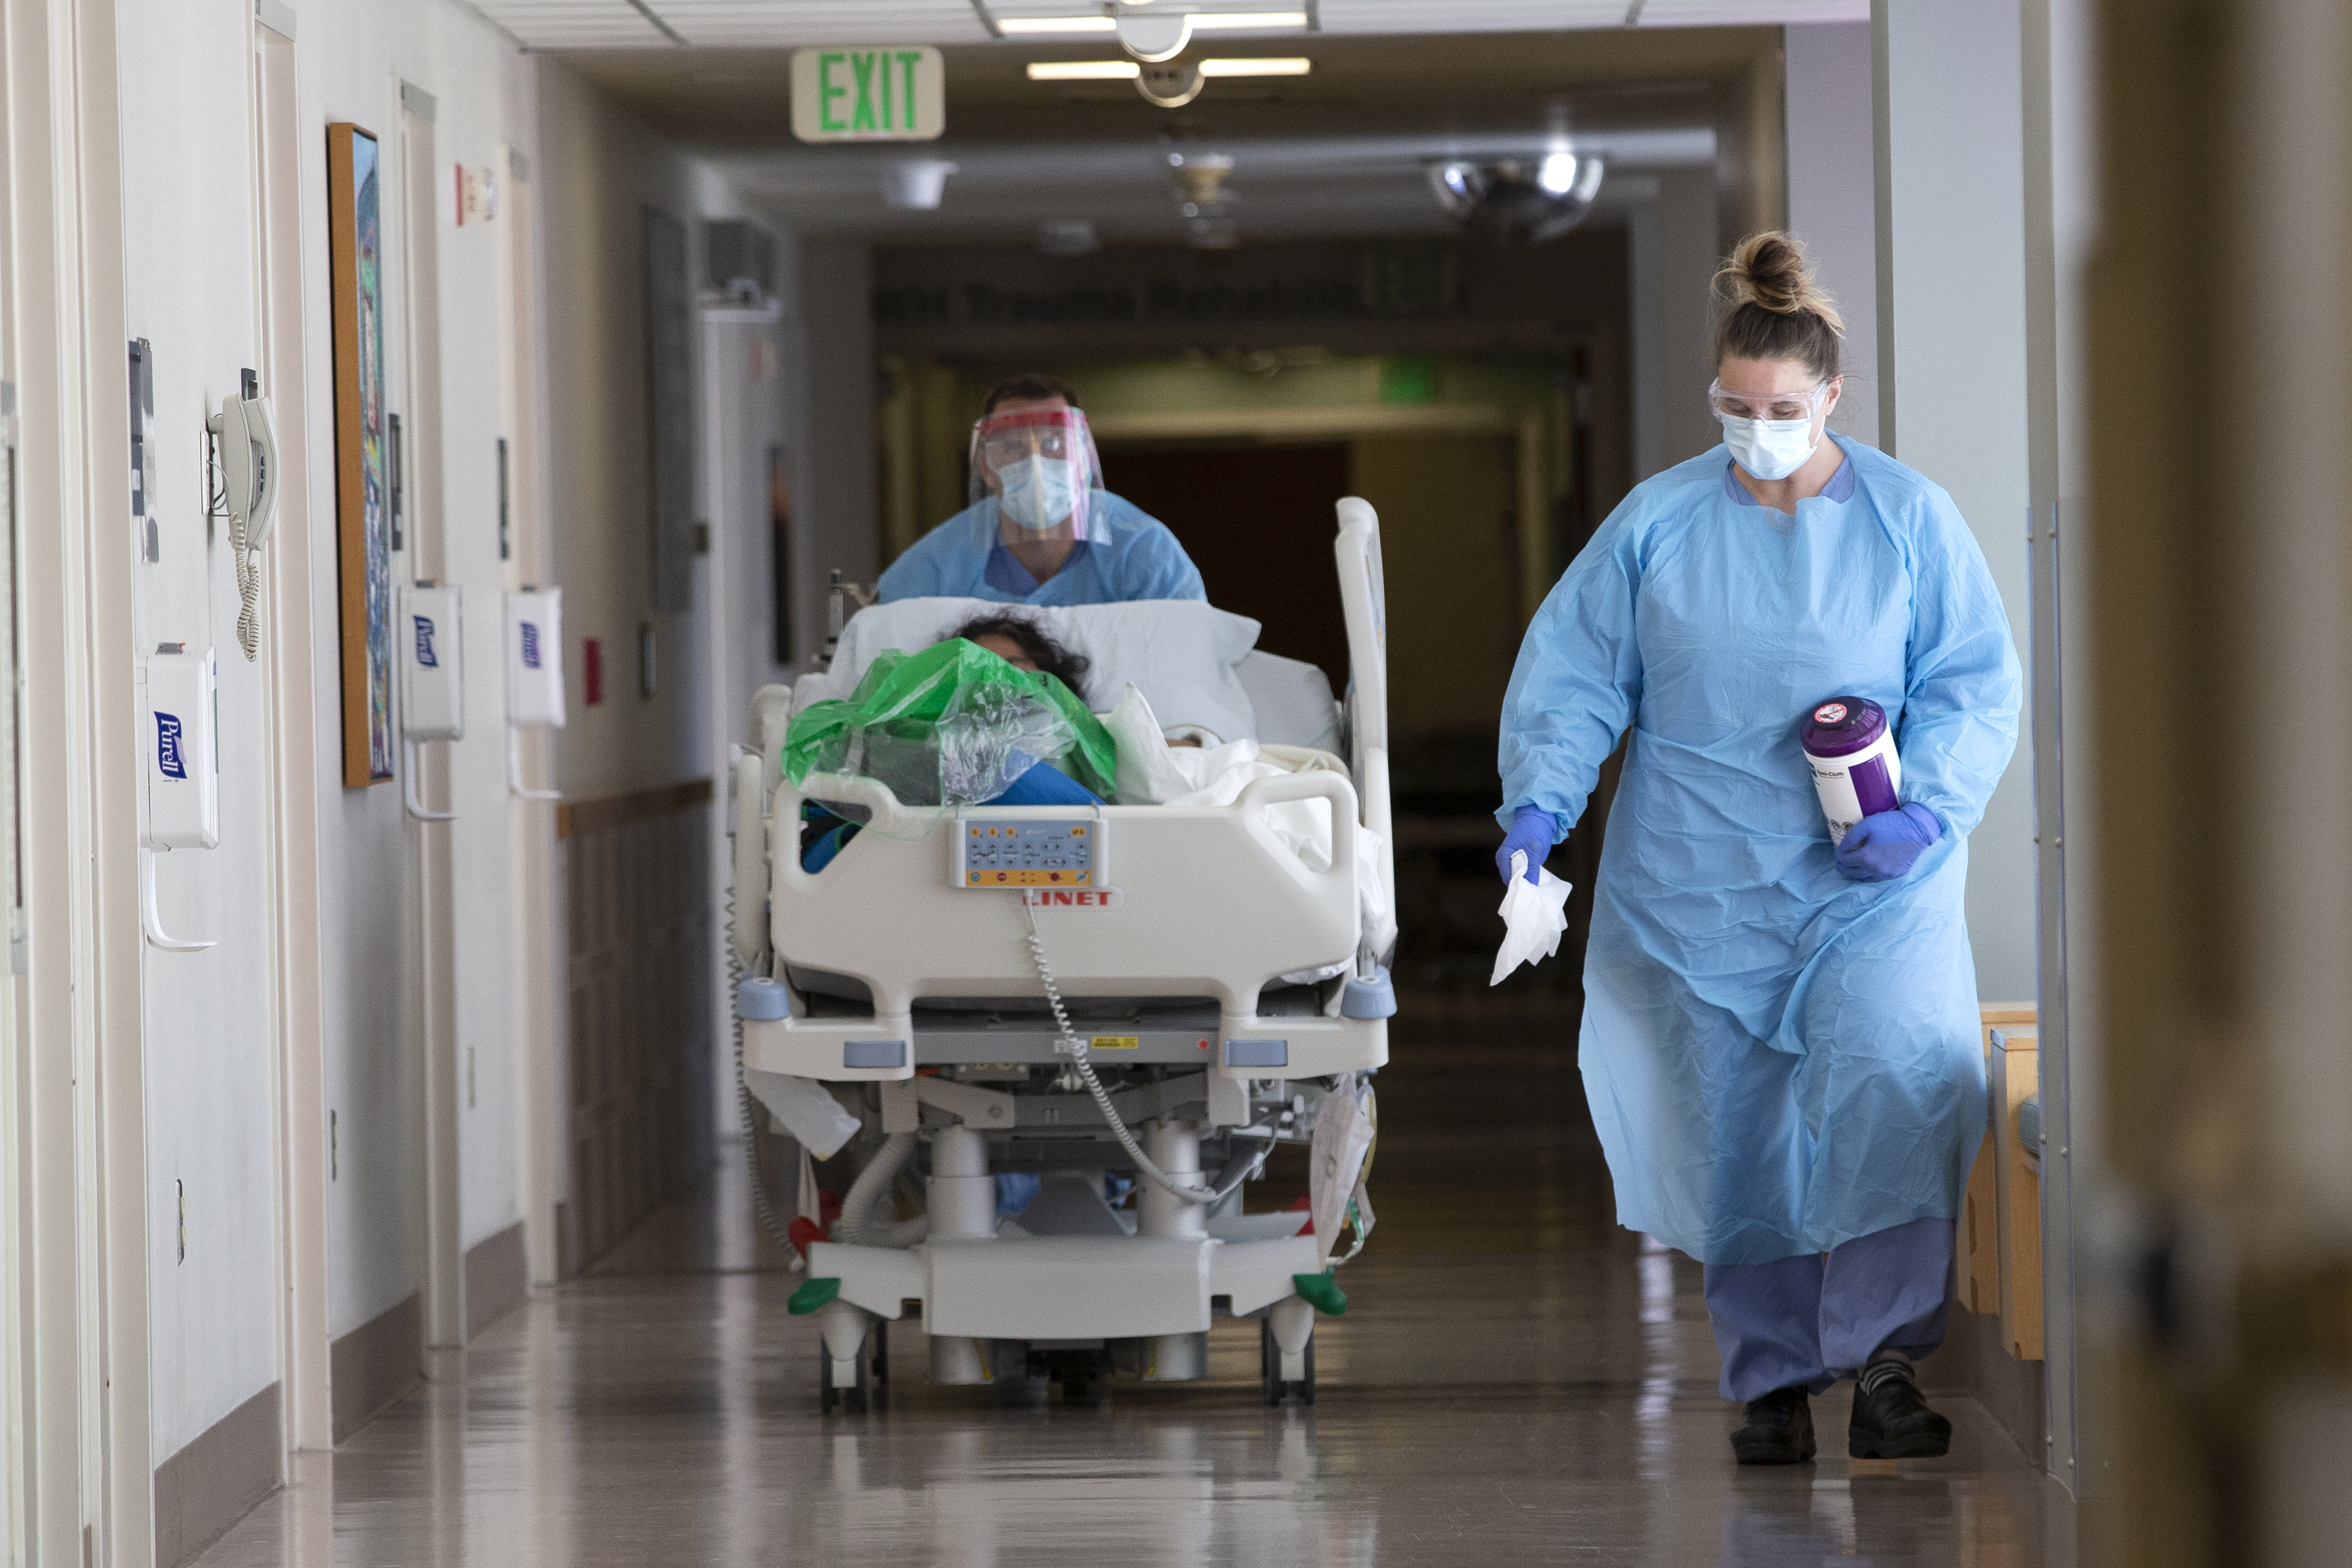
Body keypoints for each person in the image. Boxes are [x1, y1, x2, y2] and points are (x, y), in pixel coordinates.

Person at [1492, 232, 2021, 1466]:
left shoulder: (1908, 518)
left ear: (1832, 395)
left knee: (1894, 1086)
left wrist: (1927, 807)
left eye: (1784, 409)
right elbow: (1575, 679)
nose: (1760, 429)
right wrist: (1538, 808)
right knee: (1736, 1127)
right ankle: (1770, 1378)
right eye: (1737, 408)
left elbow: (1972, 683)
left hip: (1871, 878)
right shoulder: (1657, 524)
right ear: (1716, 396)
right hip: (1699, 880)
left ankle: (1888, 1364)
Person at [876, 374, 1207, 606]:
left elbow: (1187, 660)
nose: (1035, 463)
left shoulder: (1142, 551)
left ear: (1082, 457)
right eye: (1013, 447)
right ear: (987, 467)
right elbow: (887, 659)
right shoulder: (938, 566)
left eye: (1052, 443)